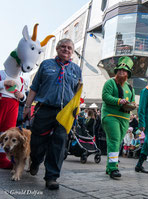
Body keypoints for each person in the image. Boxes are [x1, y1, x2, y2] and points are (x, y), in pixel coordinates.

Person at [23, 38, 82, 190]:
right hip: (45, 108)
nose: (66, 49)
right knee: (36, 143)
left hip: (65, 113)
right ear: (57, 49)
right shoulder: (46, 65)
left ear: (72, 51)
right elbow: (35, 87)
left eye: (69, 47)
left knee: (59, 144)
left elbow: (77, 93)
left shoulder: (76, 69)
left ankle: (52, 177)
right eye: (63, 46)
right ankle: (35, 161)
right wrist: (27, 106)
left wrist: (76, 110)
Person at [101, 56, 135, 179]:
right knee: (115, 140)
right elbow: (105, 96)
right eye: (119, 70)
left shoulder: (130, 87)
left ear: (128, 74)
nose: (121, 72)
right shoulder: (110, 82)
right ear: (116, 72)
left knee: (117, 142)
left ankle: (108, 167)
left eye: (124, 71)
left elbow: (132, 101)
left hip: (124, 118)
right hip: (110, 115)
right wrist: (118, 101)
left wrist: (133, 105)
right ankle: (113, 168)